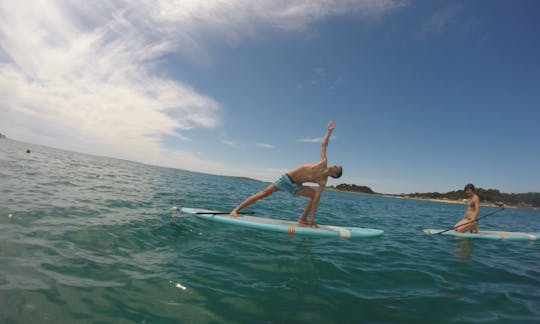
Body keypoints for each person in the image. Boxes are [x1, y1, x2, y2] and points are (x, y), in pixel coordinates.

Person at [230, 121, 343, 227]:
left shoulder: (322, 182)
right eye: (335, 165)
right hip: (286, 179)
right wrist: (329, 131)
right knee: (263, 193)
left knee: (315, 197)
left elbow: (315, 203)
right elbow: (324, 145)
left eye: (336, 168)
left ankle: (303, 219)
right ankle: (236, 209)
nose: (334, 166)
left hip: (296, 187)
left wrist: (312, 220)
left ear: (334, 175)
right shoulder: (323, 162)